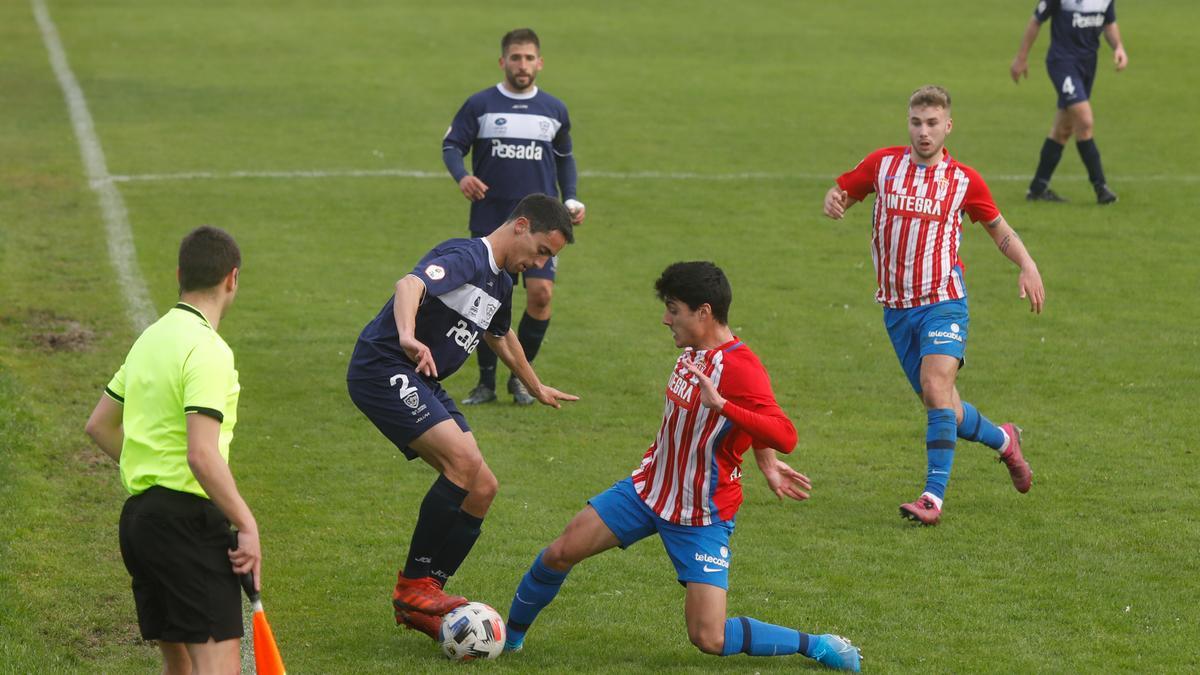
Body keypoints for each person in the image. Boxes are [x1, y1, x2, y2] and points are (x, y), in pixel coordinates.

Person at [500, 261, 861, 671]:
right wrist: (765, 460)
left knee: (709, 637)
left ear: (703, 313)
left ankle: (817, 645)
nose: (665, 318)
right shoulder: (693, 350)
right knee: (560, 551)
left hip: (701, 513)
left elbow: (784, 432)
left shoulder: (740, 368)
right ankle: (506, 643)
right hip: (648, 490)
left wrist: (730, 413)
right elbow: (754, 425)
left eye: (674, 309)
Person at [346, 193, 578, 639]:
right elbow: (409, 285)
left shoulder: (501, 282)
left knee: (483, 487)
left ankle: (425, 595)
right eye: (543, 251)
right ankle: (414, 586)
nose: (541, 263)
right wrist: (410, 337)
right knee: (463, 464)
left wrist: (535, 384)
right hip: (384, 367)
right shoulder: (468, 256)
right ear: (521, 226)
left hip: (423, 380)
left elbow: (501, 335)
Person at [822, 85, 1045, 526]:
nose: (923, 133)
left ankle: (932, 498)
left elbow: (999, 229)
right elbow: (845, 193)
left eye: (932, 124)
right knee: (940, 402)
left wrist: (1027, 264)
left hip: (944, 301)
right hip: (896, 308)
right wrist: (835, 200)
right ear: (908, 123)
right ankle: (1005, 440)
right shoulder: (882, 165)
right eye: (916, 123)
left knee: (937, 387)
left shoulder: (964, 180)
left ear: (948, 126)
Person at [84, 226, 261, 674]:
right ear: (232, 279)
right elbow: (201, 455)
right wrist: (245, 522)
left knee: (181, 669)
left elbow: (100, 426)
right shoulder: (208, 349)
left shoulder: (150, 339)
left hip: (141, 525)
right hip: (188, 530)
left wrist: (151, 468)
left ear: (179, 274)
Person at [442, 27, 586, 406]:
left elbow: (565, 160)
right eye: (515, 58)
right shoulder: (480, 104)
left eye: (529, 58)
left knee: (541, 295)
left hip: (541, 226)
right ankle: (485, 382)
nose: (522, 65)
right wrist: (463, 176)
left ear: (540, 62)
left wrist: (570, 199)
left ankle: (520, 380)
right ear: (503, 61)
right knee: (486, 304)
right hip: (493, 222)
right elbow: (452, 145)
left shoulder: (554, 110)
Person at [1011, 0, 1127, 204]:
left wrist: (1118, 47)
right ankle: (1101, 188)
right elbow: (1036, 21)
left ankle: (1037, 189)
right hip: (1062, 63)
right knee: (1085, 120)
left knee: (1063, 130)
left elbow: (1109, 23)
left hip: (1088, 66)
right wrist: (1021, 58)